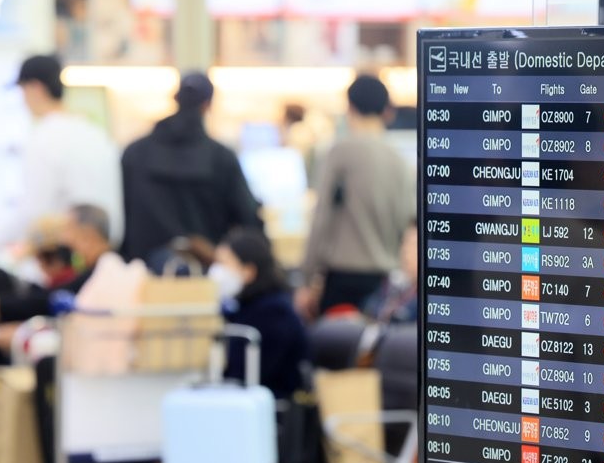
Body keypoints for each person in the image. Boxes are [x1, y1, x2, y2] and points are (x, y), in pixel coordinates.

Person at [296, 74, 415, 319]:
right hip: (384, 280)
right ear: (387, 111)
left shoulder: (338, 153)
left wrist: (306, 279)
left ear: (349, 108)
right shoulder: (401, 162)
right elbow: (408, 222)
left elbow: (321, 219)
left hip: (342, 279)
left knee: (337, 352)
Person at [120, 71, 263, 269]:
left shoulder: (134, 154)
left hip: (142, 279)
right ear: (208, 105)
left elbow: (121, 218)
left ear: (176, 98)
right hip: (205, 279)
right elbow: (248, 219)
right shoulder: (221, 158)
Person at [0, 55, 123, 249]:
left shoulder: (43, 137)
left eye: (22, 90)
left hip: (66, 257)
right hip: (105, 250)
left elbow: (33, 211)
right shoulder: (95, 132)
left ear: (35, 88)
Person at [0, 204, 112, 326]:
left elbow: (47, 300)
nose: (62, 238)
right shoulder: (100, 268)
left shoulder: (107, 270)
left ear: (87, 234)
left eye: (67, 229)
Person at [209, 229, 308, 401]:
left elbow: (248, 373)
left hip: (271, 407)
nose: (217, 271)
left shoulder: (273, 312)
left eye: (224, 263)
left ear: (249, 270)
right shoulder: (248, 305)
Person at [362, 221, 417, 325]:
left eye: (413, 245)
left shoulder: (432, 300)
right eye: (404, 243)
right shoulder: (394, 282)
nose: (405, 250)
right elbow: (368, 307)